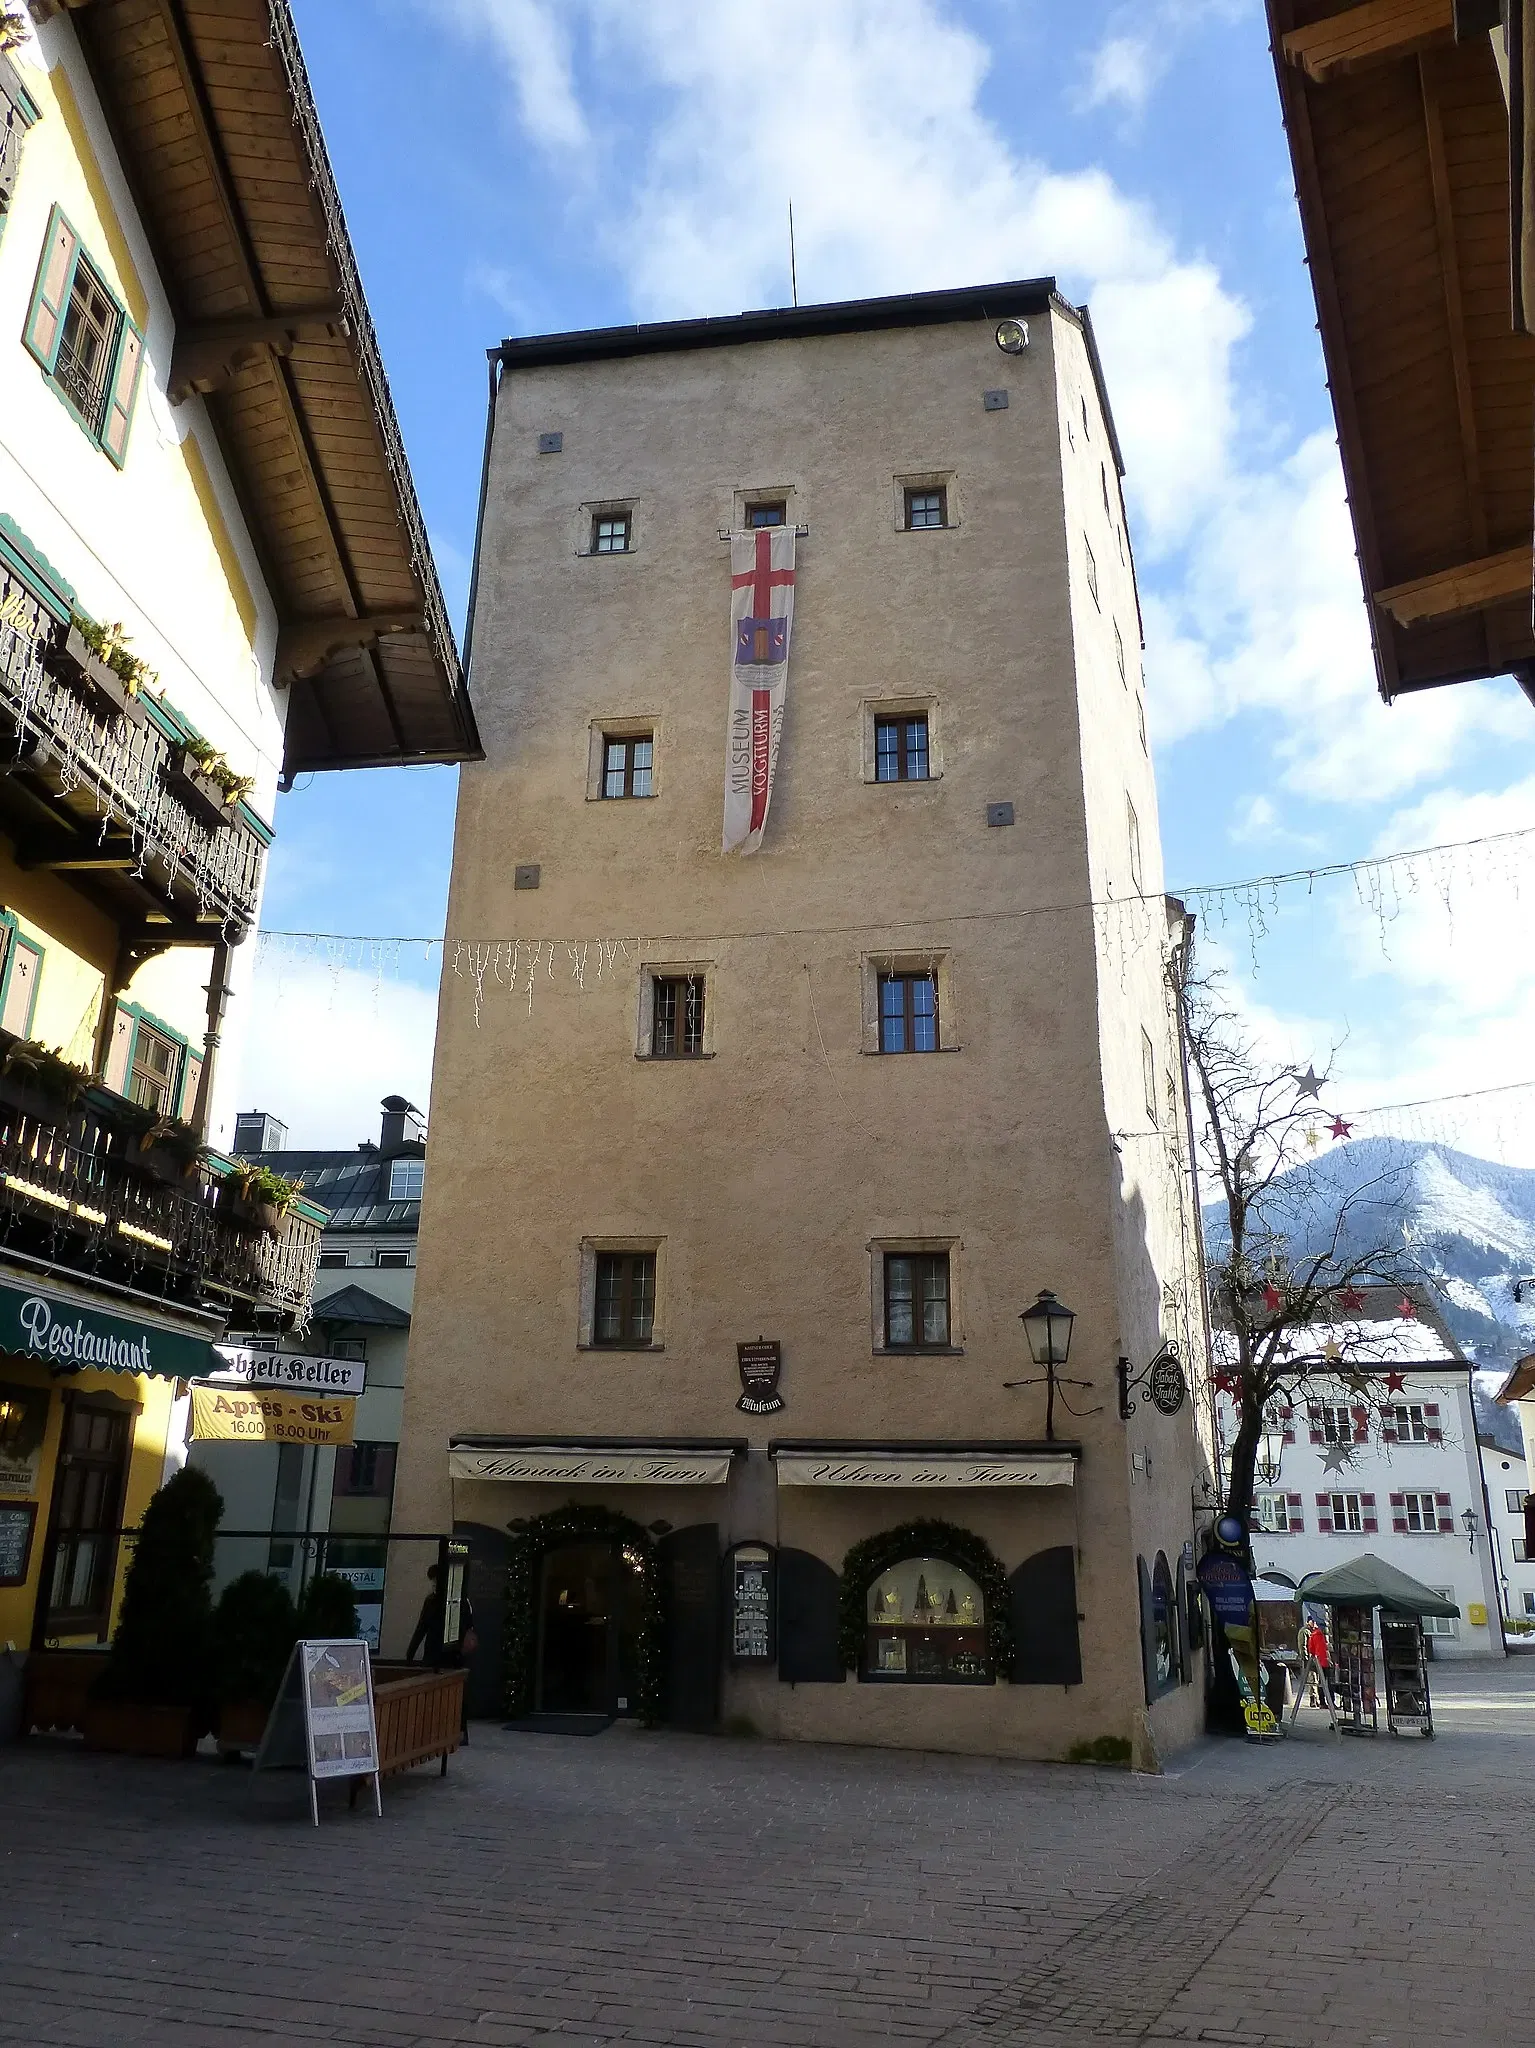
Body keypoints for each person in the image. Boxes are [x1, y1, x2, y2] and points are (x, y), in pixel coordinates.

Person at [407, 1561, 478, 1737]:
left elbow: (467, 1627)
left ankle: (456, 1728)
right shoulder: (433, 1600)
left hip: (451, 1655)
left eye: (435, 1580)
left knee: (453, 1692)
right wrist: (410, 1653)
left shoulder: (457, 1601)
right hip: (436, 1653)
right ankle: (437, 1727)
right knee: (434, 1690)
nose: (433, 1584)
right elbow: (421, 1627)